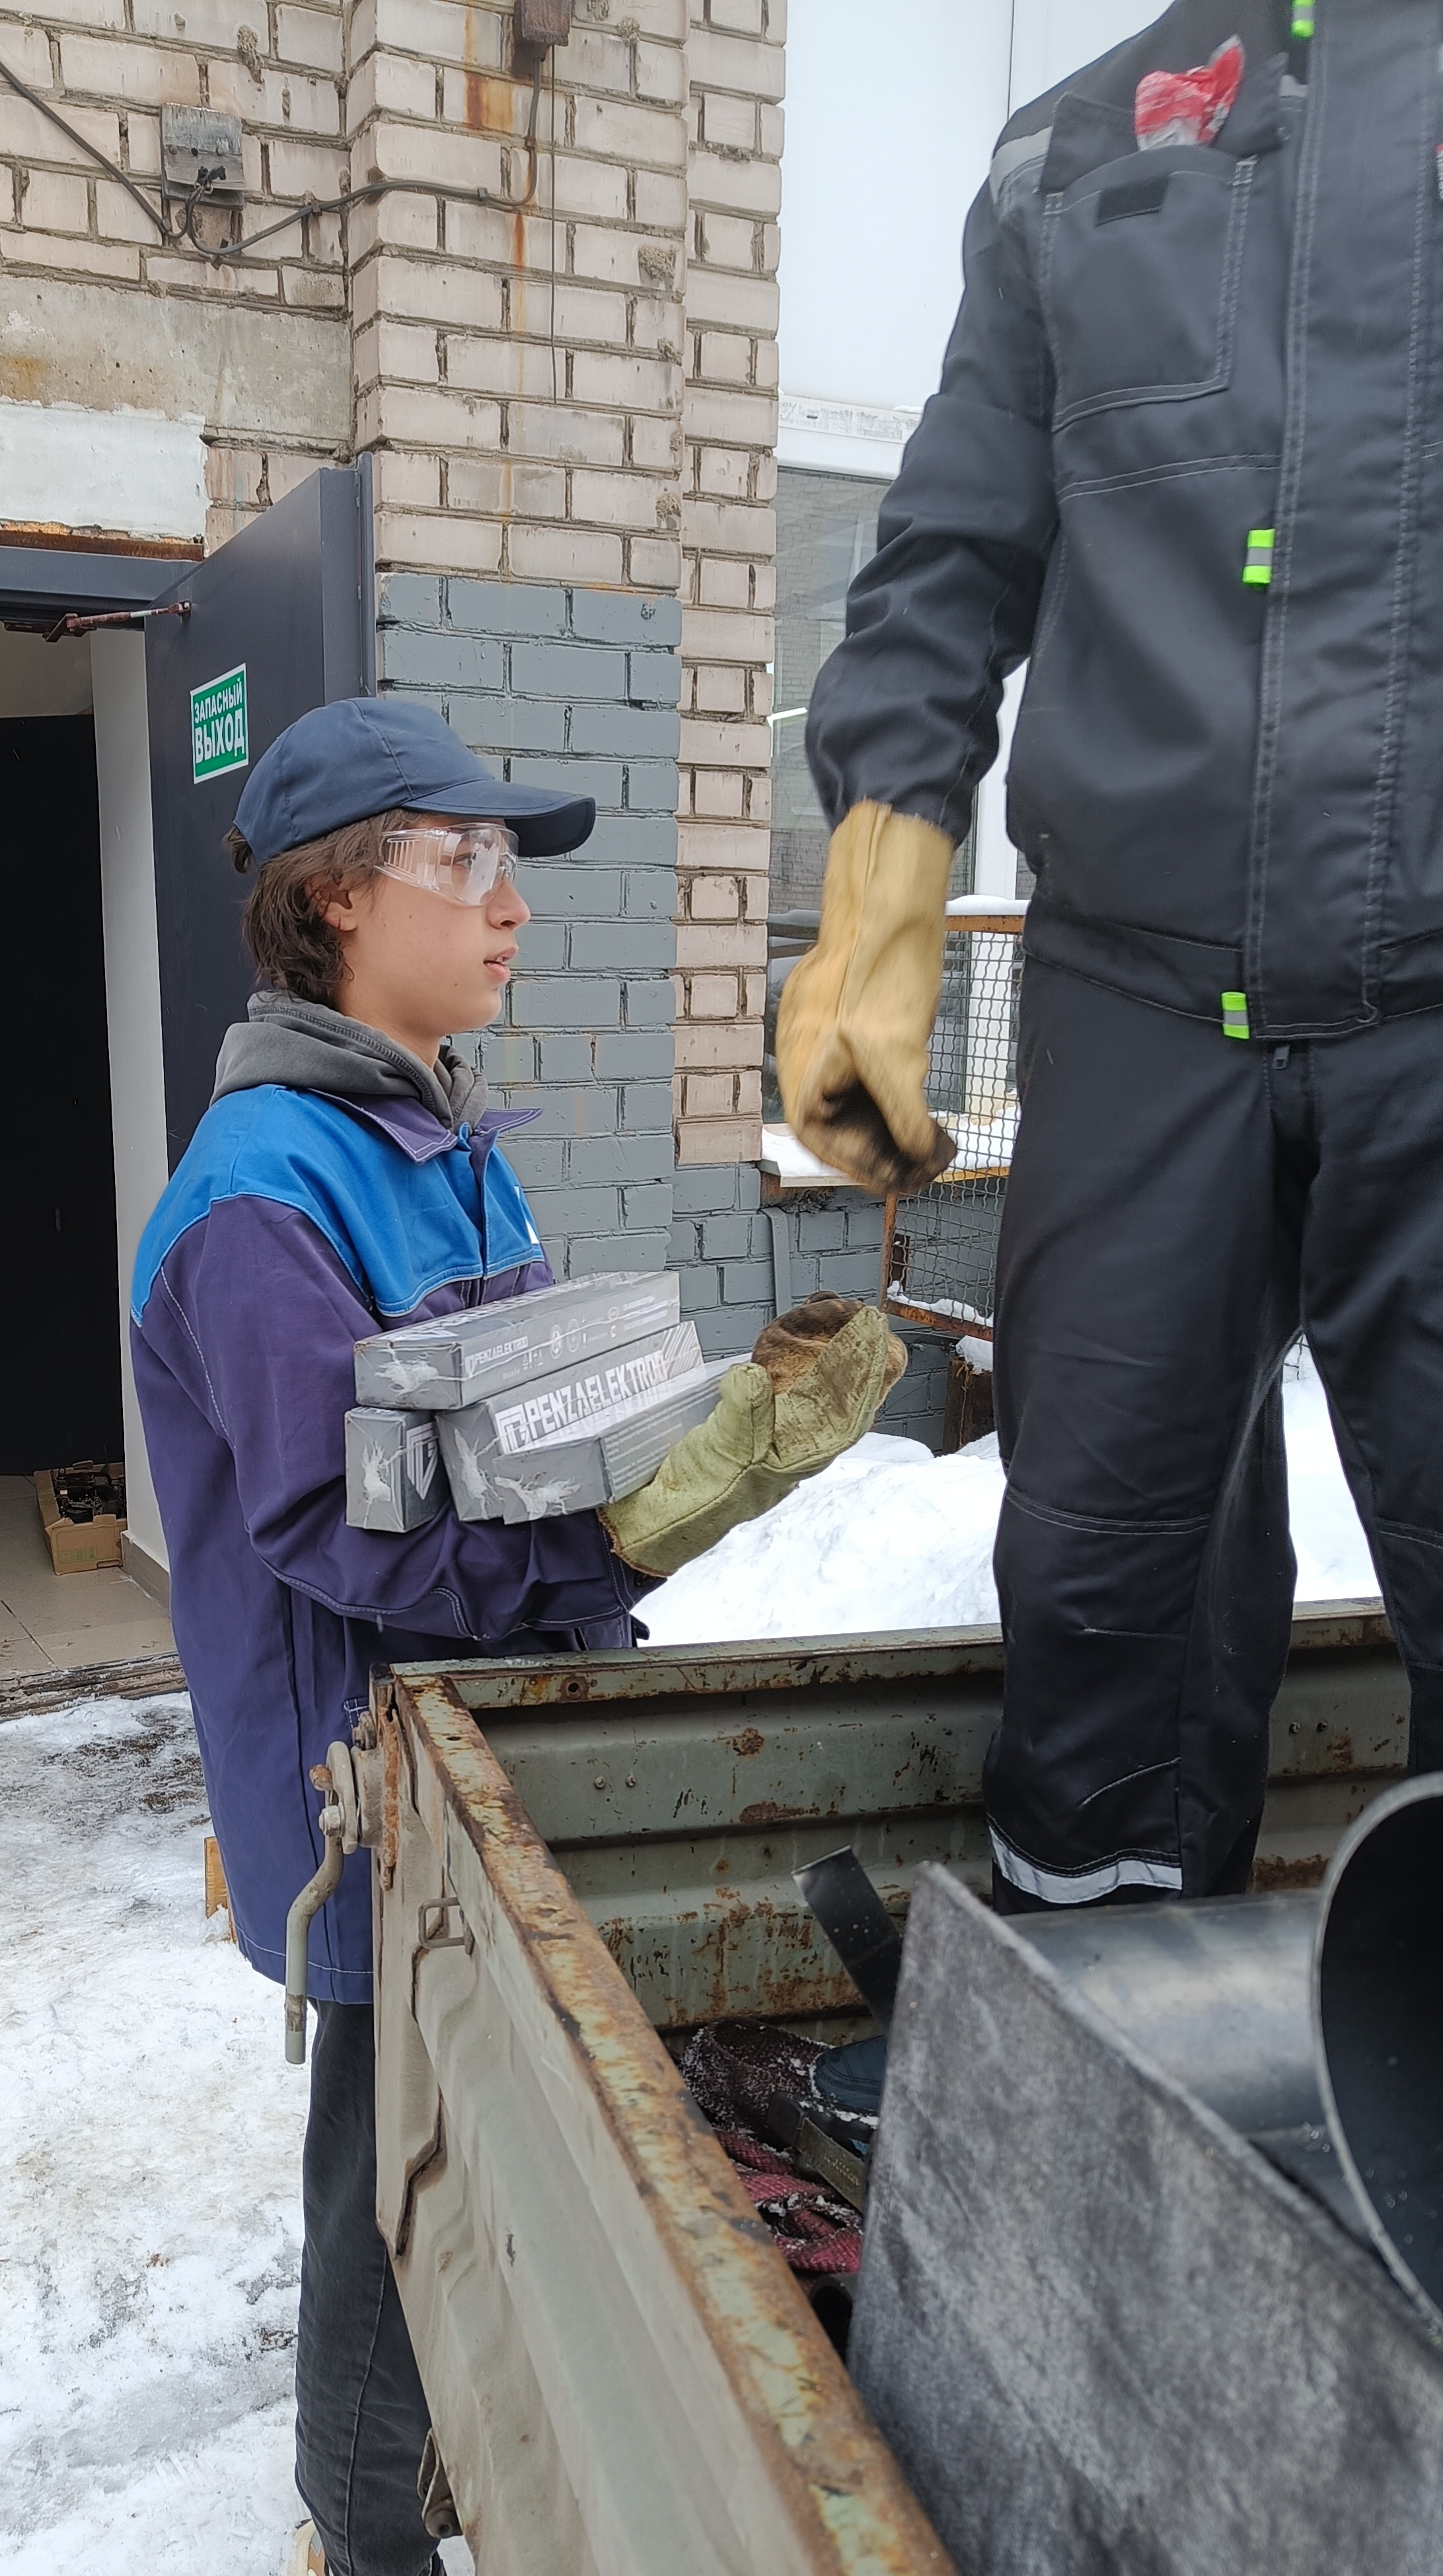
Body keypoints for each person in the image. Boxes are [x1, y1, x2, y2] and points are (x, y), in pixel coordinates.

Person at [129, 695, 902, 2576]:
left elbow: (512, 1441)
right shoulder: (265, 1196)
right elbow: (343, 1530)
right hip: (374, 1779)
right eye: (461, 861)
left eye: (509, 864)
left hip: (488, 1735)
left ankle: (408, 2472)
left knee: (464, 2153)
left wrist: (676, 1458)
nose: (509, 904)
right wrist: (619, 1548)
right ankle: (364, 2557)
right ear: (332, 899)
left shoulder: (433, 1132)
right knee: (393, 2183)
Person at [778, 2, 1443, 1913]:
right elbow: (949, 555)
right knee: (1097, 1570)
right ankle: (1095, 2014)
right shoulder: (1079, 144)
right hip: (1140, 997)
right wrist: (879, 914)